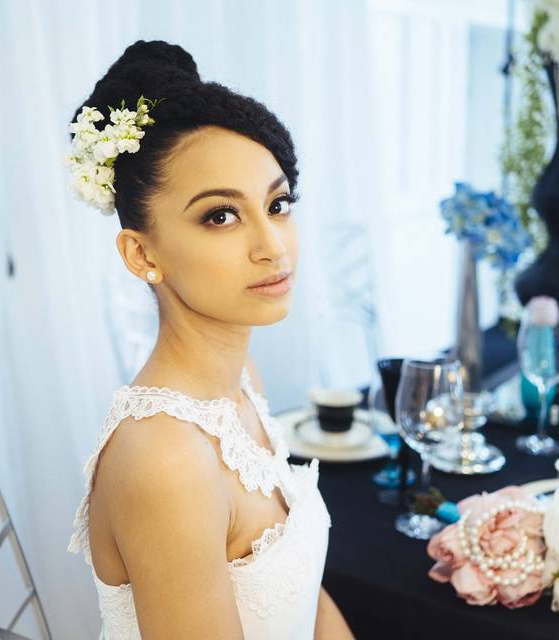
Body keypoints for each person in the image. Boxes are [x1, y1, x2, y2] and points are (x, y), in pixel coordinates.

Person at [66, 40, 354, 639]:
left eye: (277, 204)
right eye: (220, 215)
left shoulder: (243, 382)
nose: (271, 246)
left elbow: (307, 596)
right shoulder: (166, 461)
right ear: (141, 252)